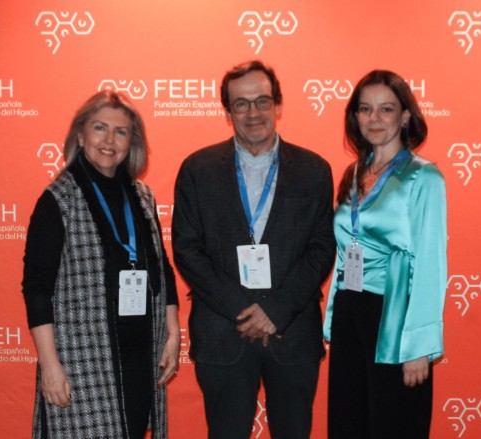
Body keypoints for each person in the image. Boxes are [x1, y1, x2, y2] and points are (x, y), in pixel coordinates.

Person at [171, 60, 335, 439]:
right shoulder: (197, 169)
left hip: (293, 330)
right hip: (223, 330)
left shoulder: (314, 170)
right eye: (241, 104)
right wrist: (244, 309)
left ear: (278, 105)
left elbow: (322, 246)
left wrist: (275, 310)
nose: (253, 113)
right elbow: (187, 249)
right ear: (228, 113)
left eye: (262, 101)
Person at [22, 90, 180, 439]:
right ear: (81, 136)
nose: (109, 140)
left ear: (131, 143)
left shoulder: (143, 197)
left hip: (140, 355)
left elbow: (161, 269)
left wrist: (172, 334)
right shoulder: (58, 200)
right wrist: (50, 366)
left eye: (121, 132)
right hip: (82, 361)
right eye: (100, 128)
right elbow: (36, 289)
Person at [323, 70, 447, 438]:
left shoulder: (424, 177)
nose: (374, 118)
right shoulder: (354, 172)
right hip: (350, 310)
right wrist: (333, 316)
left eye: (386, 109)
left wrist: (419, 345)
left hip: (394, 316)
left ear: (405, 116)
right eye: (365, 109)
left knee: (394, 424)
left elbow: (430, 263)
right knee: (348, 424)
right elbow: (346, 250)